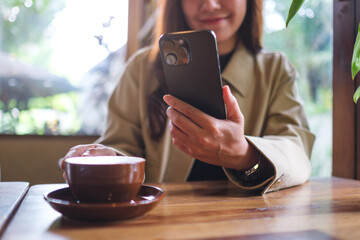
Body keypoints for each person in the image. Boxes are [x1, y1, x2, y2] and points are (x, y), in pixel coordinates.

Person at [61, 0, 315, 195]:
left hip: (251, 221)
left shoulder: (276, 69)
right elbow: (122, 145)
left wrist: (243, 153)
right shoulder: (141, 68)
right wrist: (106, 157)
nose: (210, 4)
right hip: (164, 221)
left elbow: (296, 151)